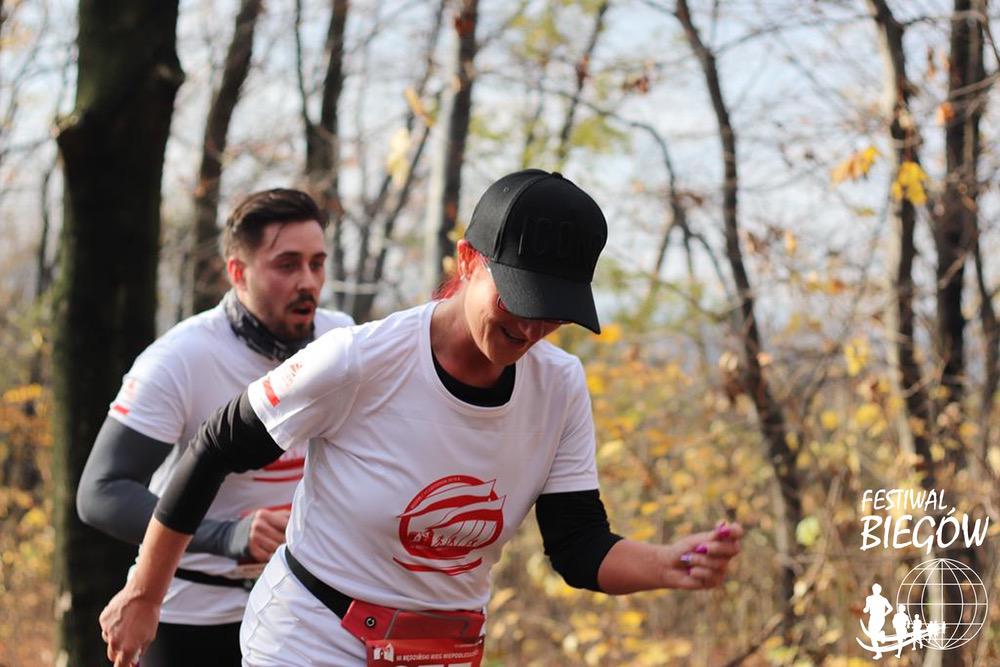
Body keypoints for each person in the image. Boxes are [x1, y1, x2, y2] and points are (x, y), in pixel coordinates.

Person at [98, 170, 744, 667]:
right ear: (468, 262)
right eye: (518, 299)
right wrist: (147, 594)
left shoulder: (559, 386)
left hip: (442, 646)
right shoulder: (358, 359)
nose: (530, 327)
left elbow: (577, 546)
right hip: (313, 635)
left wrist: (667, 564)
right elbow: (215, 445)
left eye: (552, 311)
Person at [77, 189, 354, 666]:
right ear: (238, 273)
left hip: (300, 611)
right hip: (190, 614)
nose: (308, 282)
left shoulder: (341, 340)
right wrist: (225, 536)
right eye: (287, 265)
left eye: (317, 264)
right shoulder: (181, 358)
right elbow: (101, 492)